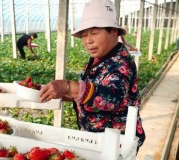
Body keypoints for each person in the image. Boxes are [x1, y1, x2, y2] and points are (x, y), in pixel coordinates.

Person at [38, 0, 145, 149]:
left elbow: (112, 97)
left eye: (94, 33)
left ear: (114, 31)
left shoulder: (121, 63)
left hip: (116, 144)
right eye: (84, 35)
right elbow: (89, 91)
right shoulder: (99, 58)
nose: (88, 40)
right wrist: (58, 92)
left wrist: (68, 87)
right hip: (95, 139)